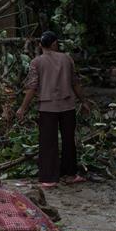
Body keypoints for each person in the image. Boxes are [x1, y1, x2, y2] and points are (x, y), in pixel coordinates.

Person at [16, 30, 89, 188]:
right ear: (55, 44)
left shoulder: (36, 62)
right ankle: (70, 174)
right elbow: (75, 82)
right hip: (68, 105)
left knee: (48, 142)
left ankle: (49, 178)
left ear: (41, 45)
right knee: (69, 140)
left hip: (47, 107)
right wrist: (84, 101)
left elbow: (31, 87)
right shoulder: (67, 59)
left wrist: (23, 108)